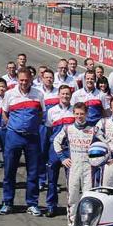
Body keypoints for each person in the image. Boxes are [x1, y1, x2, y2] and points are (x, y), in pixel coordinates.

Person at [0, 69, 44, 216]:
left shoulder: (38, 94)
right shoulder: (9, 94)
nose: (24, 83)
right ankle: (7, 202)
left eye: (26, 80)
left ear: (31, 79)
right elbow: (5, 113)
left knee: (33, 172)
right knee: (10, 170)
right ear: (17, 80)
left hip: (32, 137)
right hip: (14, 136)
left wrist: (31, 126)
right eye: (21, 80)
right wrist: (14, 126)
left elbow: (41, 113)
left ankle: (32, 203)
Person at [53, 102, 96, 226]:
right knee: (73, 196)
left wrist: (105, 158)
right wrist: (62, 158)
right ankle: (72, 224)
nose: (79, 116)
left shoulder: (93, 129)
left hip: (88, 168)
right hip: (73, 167)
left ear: (87, 114)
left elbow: (107, 143)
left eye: (82, 114)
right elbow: (56, 142)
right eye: (77, 114)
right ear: (73, 114)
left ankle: (86, 223)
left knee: (88, 196)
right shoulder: (68, 128)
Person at [44, 85, 75, 216]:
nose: (65, 96)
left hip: (70, 149)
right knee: (52, 180)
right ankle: (51, 206)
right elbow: (49, 129)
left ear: (71, 95)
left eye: (67, 94)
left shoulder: (75, 110)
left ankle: (72, 207)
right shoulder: (52, 111)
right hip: (54, 149)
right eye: (63, 94)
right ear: (59, 95)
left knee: (72, 181)